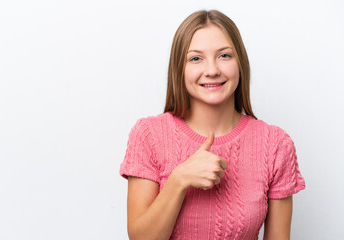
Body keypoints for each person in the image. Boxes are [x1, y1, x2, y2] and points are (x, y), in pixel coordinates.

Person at [119, 9, 305, 240]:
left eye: (224, 56)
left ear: (240, 63)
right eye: (196, 58)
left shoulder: (275, 144)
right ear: (180, 68)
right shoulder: (149, 135)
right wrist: (179, 180)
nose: (212, 70)